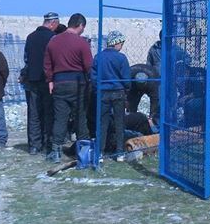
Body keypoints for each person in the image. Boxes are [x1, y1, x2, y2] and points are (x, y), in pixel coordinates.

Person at [43, 13, 93, 162]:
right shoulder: (81, 43)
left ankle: (56, 152)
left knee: (60, 119)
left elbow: (47, 64)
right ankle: (83, 152)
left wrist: (50, 81)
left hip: (59, 84)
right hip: (78, 84)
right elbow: (88, 66)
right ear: (81, 25)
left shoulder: (53, 41)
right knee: (80, 118)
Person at [92, 30, 131, 158]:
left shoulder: (98, 57)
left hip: (102, 93)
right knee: (120, 122)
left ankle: (100, 152)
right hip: (118, 93)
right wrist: (127, 88)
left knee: (102, 122)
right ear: (117, 43)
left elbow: (93, 76)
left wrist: (98, 87)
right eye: (122, 43)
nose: (122, 46)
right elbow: (126, 79)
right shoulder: (121, 58)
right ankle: (119, 152)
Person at [24, 12, 59, 155]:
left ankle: (34, 145)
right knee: (49, 113)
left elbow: (26, 58)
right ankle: (48, 144)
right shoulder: (53, 38)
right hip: (48, 81)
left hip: (32, 80)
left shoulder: (30, 37)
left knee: (34, 114)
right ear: (53, 23)